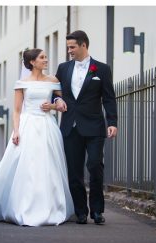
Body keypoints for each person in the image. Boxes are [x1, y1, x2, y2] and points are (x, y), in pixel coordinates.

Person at [0, 49, 74, 226]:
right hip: (28, 124)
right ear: (32, 62)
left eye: (46, 56)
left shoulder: (53, 80)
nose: (46, 60)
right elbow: (16, 110)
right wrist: (16, 131)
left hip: (47, 126)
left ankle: (51, 206)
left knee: (48, 165)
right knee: (28, 166)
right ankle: (24, 206)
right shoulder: (22, 83)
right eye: (42, 58)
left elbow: (63, 104)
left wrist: (53, 106)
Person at [54, 30, 118, 225]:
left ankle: (97, 211)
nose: (69, 51)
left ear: (83, 45)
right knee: (74, 171)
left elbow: (108, 97)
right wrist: (57, 100)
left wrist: (113, 122)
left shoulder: (102, 69)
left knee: (95, 166)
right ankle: (81, 211)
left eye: (72, 47)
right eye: (68, 47)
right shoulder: (63, 68)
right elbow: (53, 92)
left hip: (95, 127)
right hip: (70, 126)